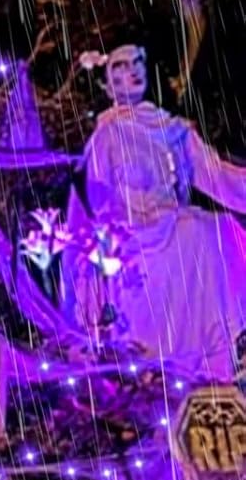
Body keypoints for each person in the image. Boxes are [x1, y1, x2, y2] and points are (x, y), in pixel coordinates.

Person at [63, 43, 246, 379]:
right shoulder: (107, 134)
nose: (132, 70)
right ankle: (159, 365)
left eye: (137, 62)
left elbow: (217, 175)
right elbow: (95, 203)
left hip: (173, 222)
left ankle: (216, 358)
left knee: (218, 230)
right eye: (119, 66)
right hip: (131, 236)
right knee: (194, 231)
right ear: (106, 84)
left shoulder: (171, 129)